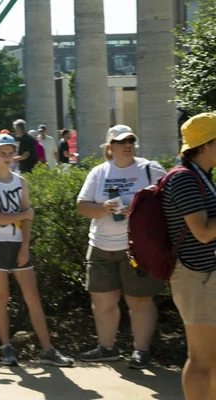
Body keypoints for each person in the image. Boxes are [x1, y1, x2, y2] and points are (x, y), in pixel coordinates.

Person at [0, 133, 74, 367]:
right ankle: (6, 347)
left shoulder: (21, 181)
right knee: (1, 298)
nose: (8, 157)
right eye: (2, 153)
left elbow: (27, 220)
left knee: (33, 298)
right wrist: (24, 215)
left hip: (18, 244)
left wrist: (24, 246)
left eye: (11, 153)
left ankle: (48, 350)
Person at [76, 125, 166, 369]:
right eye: (121, 141)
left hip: (138, 247)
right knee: (103, 302)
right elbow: (83, 206)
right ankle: (107, 348)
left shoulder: (150, 168)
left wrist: (142, 210)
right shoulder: (98, 172)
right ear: (110, 147)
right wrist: (105, 208)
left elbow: (169, 200)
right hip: (101, 247)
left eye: (131, 140)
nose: (127, 145)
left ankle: (141, 352)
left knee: (140, 301)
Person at [163, 113, 216, 399]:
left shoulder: (202, 177)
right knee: (200, 359)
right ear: (205, 145)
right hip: (194, 275)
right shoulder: (184, 179)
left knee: (212, 359)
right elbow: (203, 232)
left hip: (206, 274)